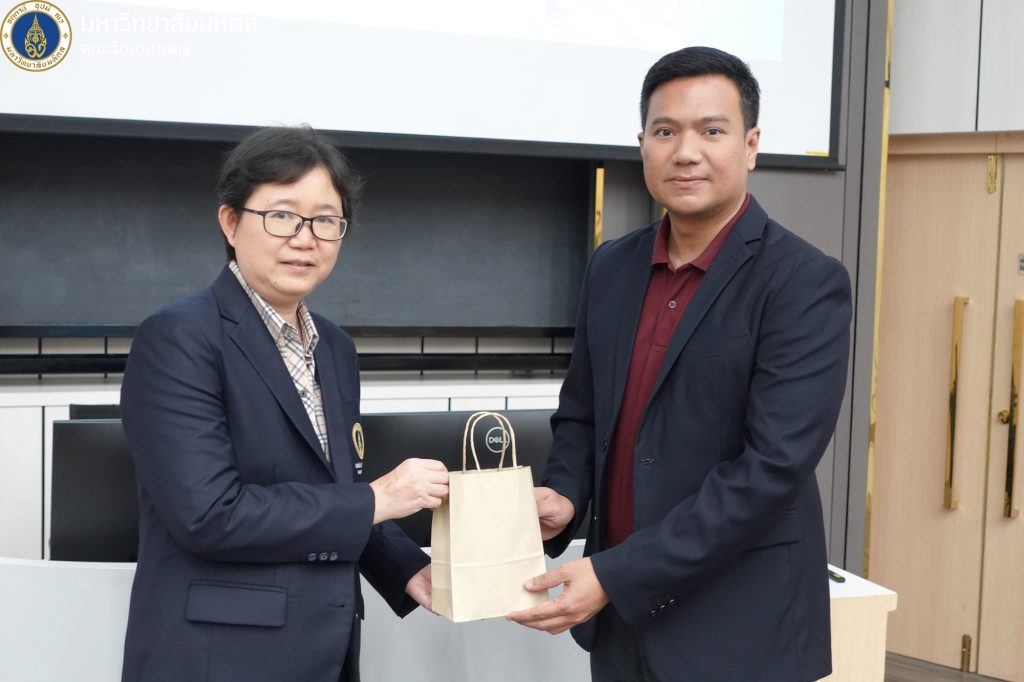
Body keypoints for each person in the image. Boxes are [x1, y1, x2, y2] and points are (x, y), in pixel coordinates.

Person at [507, 46, 851, 682]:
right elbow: (582, 415)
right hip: (621, 626)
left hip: (739, 629)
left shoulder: (804, 281)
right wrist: (565, 492)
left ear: (750, 145)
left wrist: (617, 573)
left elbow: (770, 469)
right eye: (665, 132)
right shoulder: (612, 266)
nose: (685, 152)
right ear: (643, 145)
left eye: (711, 131)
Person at [119, 126, 449, 682]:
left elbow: (334, 489)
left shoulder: (335, 348)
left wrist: (409, 569)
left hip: (326, 651)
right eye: (282, 215)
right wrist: (378, 497)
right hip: (218, 658)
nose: (305, 238)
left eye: (325, 220)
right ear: (230, 222)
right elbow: (209, 514)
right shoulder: (178, 337)